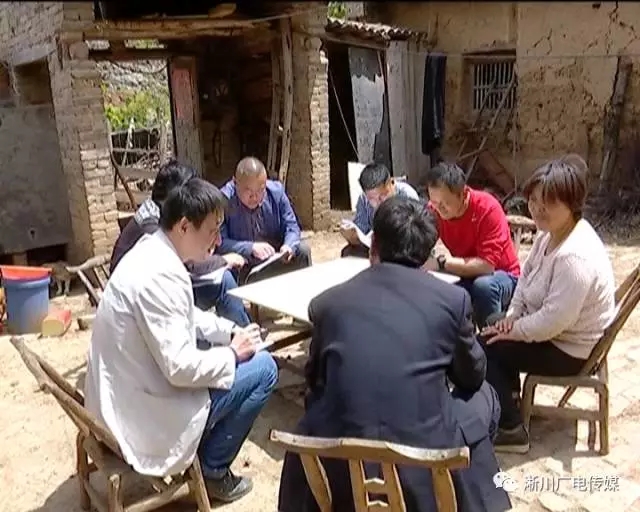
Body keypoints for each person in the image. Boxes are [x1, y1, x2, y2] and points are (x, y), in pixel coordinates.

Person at [278, 196, 511, 512]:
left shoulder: (328, 303)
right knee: (485, 395)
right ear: (427, 254)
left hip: (340, 466)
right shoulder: (451, 300)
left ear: (373, 243)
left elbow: (315, 382)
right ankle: (470, 494)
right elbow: (471, 376)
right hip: (424, 466)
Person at [85, 178, 278, 504]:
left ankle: (209, 459)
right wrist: (232, 354)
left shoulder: (152, 251)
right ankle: (213, 469)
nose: (218, 241)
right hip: (140, 415)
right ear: (185, 226)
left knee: (237, 355)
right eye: (212, 231)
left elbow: (185, 315)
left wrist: (228, 331)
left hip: (125, 393)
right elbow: (179, 368)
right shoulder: (160, 275)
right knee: (265, 368)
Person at [480, 155, 616, 454]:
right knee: (492, 322)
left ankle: (511, 430)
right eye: (533, 200)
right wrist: (512, 316)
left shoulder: (574, 257)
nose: (538, 209)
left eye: (548, 203)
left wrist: (512, 331)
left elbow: (552, 322)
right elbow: (525, 278)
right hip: (554, 330)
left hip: (569, 348)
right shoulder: (549, 235)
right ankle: (510, 399)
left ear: (572, 203)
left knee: (488, 345)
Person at [110, 160, 251, 328]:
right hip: (142, 307)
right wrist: (224, 260)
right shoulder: (155, 232)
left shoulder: (159, 216)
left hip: (157, 297)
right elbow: (189, 266)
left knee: (223, 281)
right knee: (224, 281)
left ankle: (245, 332)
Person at [423, 161, 521, 328]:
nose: (439, 208)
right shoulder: (435, 210)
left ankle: (490, 337)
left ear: (462, 194)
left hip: (503, 275)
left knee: (483, 286)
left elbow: (487, 266)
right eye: (434, 202)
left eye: (445, 203)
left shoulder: (487, 208)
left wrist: (442, 262)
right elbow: (422, 243)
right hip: (466, 275)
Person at [219, 156, 311, 283]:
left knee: (302, 250)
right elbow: (219, 243)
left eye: (260, 190)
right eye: (248, 191)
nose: (255, 197)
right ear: (235, 183)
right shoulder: (223, 201)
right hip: (243, 263)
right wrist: (250, 248)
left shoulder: (276, 193)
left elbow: (292, 226)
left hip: (273, 258)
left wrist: (288, 246)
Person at [340, 162, 420, 258]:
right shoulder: (364, 200)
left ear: (392, 183)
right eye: (372, 199)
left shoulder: (407, 195)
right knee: (348, 252)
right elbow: (362, 230)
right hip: (377, 247)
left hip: (403, 247)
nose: (379, 202)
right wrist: (353, 235)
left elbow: (417, 231)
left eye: (383, 195)